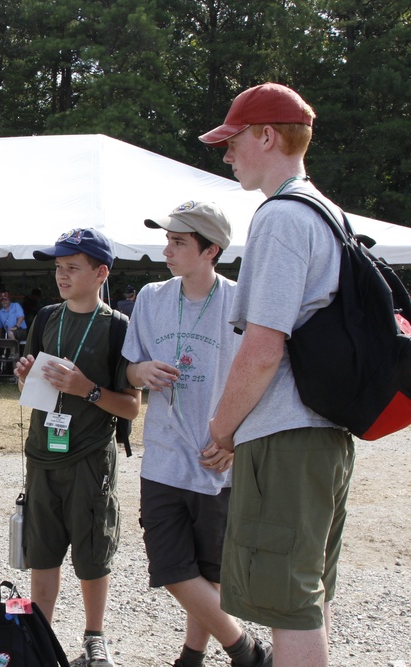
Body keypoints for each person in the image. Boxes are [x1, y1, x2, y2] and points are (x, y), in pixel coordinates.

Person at [200, 82, 352, 666]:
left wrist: (222, 427)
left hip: (287, 435)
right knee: (308, 594)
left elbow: (263, 347)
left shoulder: (282, 217)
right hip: (323, 429)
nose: (227, 153)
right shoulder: (326, 212)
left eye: (234, 141)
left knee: (289, 604)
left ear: (267, 136)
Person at [122, 202, 271, 667]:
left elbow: (264, 376)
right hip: (164, 456)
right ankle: (244, 648)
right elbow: (127, 370)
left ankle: (192, 654)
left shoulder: (242, 300)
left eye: (178, 241)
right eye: (167, 239)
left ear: (212, 250)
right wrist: (141, 370)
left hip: (218, 457)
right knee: (169, 567)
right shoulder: (151, 297)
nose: (166, 250)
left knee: (211, 571)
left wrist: (233, 438)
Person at [14, 228, 141, 667]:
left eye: (72, 268)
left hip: (90, 458)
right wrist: (25, 374)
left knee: (92, 552)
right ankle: (40, 637)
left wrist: (87, 389)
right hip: (42, 454)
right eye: (57, 268)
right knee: (43, 549)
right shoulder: (47, 317)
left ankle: (94, 637)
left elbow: (130, 408)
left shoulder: (118, 327)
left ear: (100, 272)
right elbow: (29, 385)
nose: (62, 276)